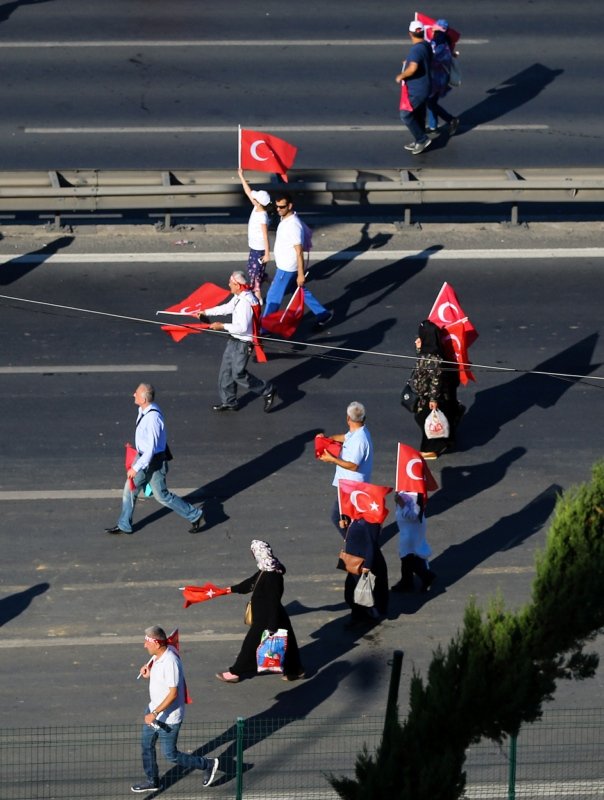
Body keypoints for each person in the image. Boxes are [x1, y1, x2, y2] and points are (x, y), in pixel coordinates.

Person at [105, 384, 204, 535]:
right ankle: (124, 524)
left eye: (136, 393)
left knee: (162, 496)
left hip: (153, 461)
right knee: (129, 489)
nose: (133, 395)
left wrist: (135, 468)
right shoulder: (143, 409)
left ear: (144, 398)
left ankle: (195, 515)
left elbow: (151, 450)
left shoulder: (153, 418)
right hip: (143, 457)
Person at [130, 625, 219, 793]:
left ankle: (208, 764)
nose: (144, 645)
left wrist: (154, 713)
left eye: (147, 642)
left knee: (170, 754)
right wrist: (150, 671)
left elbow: (173, 694)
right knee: (146, 746)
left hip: (167, 718)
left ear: (157, 643)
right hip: (154, 712)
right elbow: (161, 676)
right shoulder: (159, 655)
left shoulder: (170, 662)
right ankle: (152, 780)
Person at [216, 540, 305, 683]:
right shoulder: (266, 568)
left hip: (267, 617)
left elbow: (274, 601)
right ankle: (296, 670)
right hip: (271, 614)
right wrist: (229, 590)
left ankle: (236, 672)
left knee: (251, 645)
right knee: (289, 644)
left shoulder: (272, 576)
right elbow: (251, 583)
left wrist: (271, 626)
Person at [197, 271, 276, 412]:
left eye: (231, 283)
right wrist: (206, 312)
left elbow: (243, 327)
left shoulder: (245, 302)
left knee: (238, 374)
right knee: (225, 372)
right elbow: (227, 308)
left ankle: (267, 390)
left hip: (243, 343)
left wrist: (222, 326)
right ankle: (229, 401)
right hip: (234, 339)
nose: (228, 285)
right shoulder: (239, 296)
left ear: (238, 285)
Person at [262, 192, 333, 327]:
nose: (278, 210)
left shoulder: (293, 225)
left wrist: (300, 274)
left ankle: (265, 326)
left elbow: (299, 251)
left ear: (290, 205)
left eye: (282, 207)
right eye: (277, 207)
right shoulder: (286, 219)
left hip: (287, 268)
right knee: (299, 290)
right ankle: (322, 313)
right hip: (287, 266)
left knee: (273, 297)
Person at [412, 320, 463, 459]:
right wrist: (418, 349)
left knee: (428, 421)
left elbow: (436, 379)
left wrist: (433, 399)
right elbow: (423, 363)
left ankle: (431, 450)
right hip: (428, 395)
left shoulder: (435, 358)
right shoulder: (430, 351)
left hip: (432, 396)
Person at [318, 401, 374, 531]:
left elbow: (354, 466)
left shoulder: (360, 439)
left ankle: (355, 546)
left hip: (352, 487)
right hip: (347, 485)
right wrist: (327, 439)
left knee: (340, 517)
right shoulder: (357, 432)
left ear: (348, 418)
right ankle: (356, 544)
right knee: (347, 518)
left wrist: (332, 459)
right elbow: (344, 437)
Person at [340, 517, 389, 628]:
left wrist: (367, 566)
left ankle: (362, 616)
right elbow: (348, 537)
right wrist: (345, 528)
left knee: (358, 592)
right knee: (352, 592)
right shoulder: (356, 518)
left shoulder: (370, 521)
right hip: (353, 561)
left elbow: (372, 544)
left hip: (361, 563)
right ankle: (361, 615)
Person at [395, 20, 433, 155]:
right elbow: (423, 61)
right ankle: (419, 139)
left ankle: (422, 139)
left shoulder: (416, 49)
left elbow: (413, 68)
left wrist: (401, 75)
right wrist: (408, 62)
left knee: (406, 115)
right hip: (426, 86)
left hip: (417, 89)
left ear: (410, 33)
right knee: (419, 114)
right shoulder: (426, 45)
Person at [391, 491, 436, 592]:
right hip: (407, 529)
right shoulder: (407, 490)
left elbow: (414, 516)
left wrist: (401, 504)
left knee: (407, 557)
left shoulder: (415, 494)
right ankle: (407, 581)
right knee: (408, 556)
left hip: (411, 531)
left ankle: (425, 576)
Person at [238, 167, 271, 305]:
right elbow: (248, 192)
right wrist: (241, 176)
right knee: (256, 271)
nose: (253, 197)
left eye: (255, 198)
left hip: (259, 249)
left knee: (254, 273)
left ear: (258, 202)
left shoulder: (262, 216)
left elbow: (265, 235)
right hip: (254, 247)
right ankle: (274, 283)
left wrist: (268, 254)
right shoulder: (257, 206)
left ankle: (257, 299)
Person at [426, 19, 459, 137]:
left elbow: (436, 58)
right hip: (440, 75)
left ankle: (451, 120)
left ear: (439, 29)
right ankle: (433, 126)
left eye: (435, 27)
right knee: (431, 101)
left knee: (430, 101)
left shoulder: (439, 41)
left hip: (437, 77)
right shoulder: (445, 40)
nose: (433, 28)